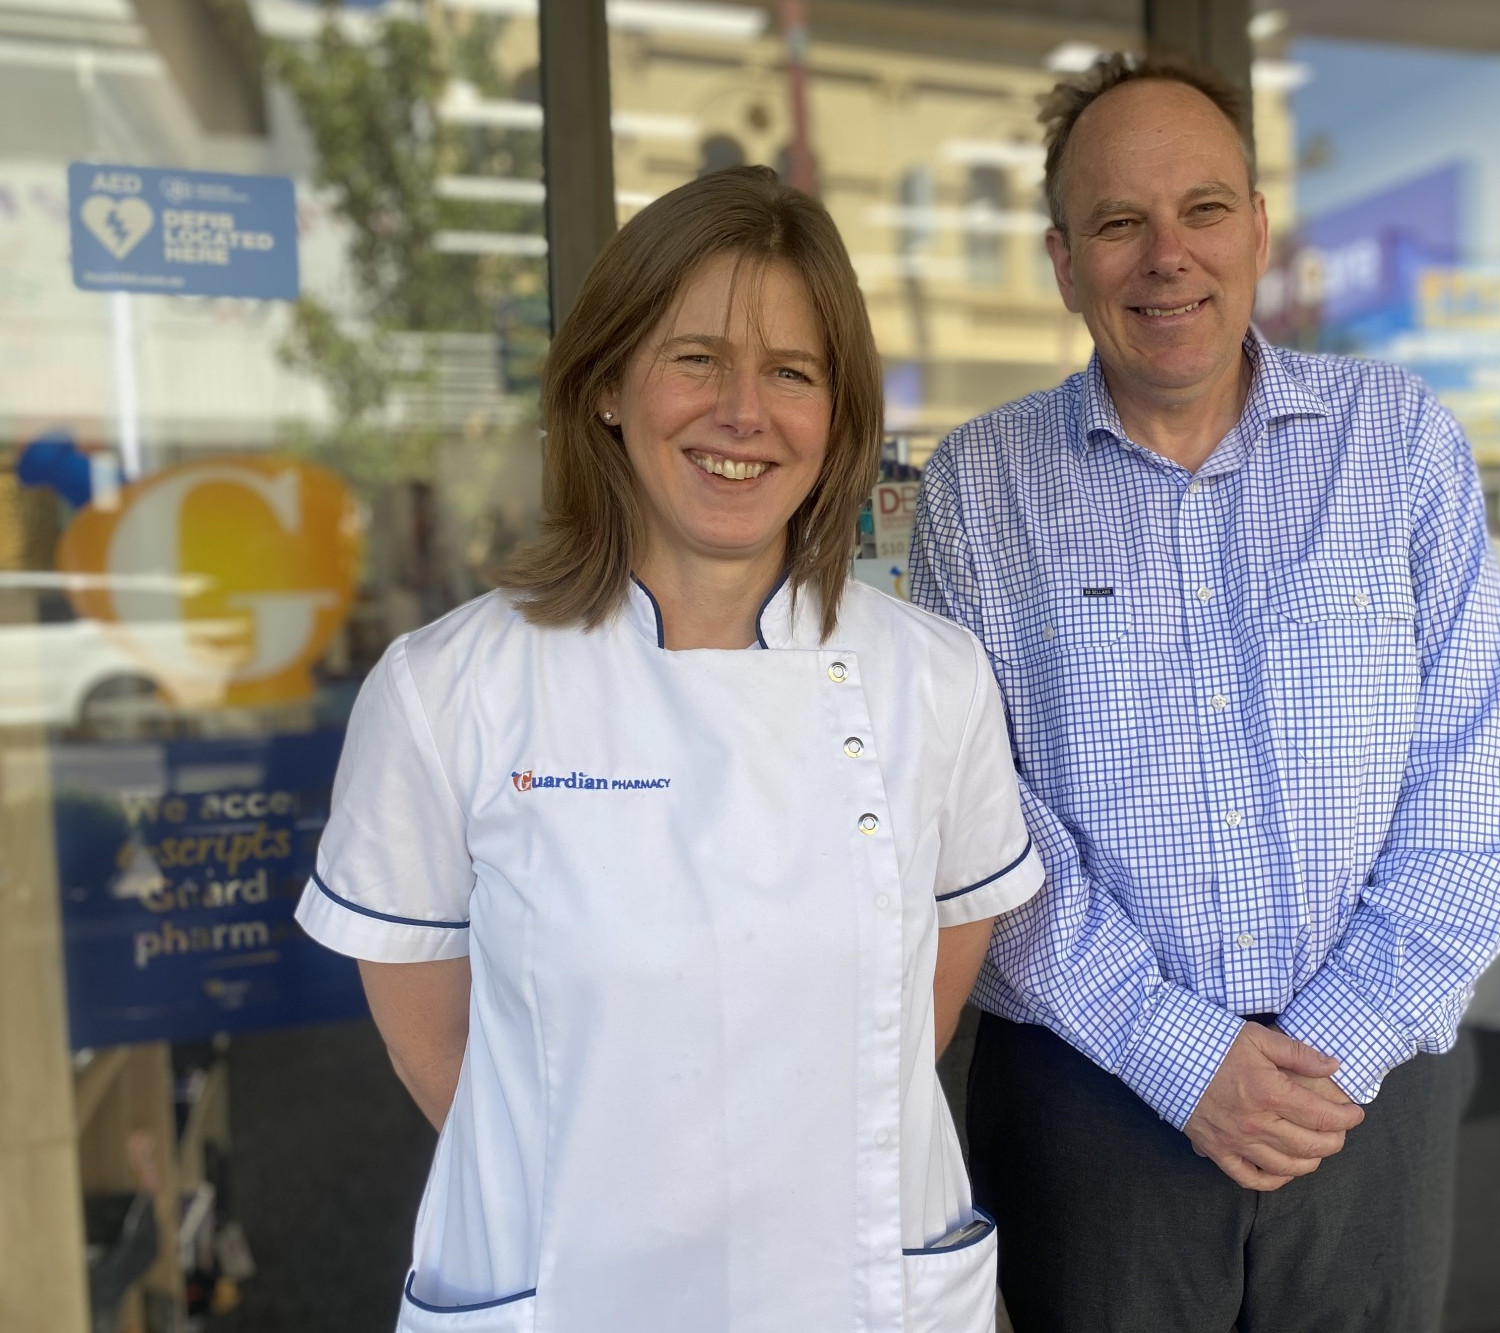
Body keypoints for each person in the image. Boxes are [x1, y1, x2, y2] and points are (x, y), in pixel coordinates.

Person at [295, 166, 1042, 1332]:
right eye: (695, 357)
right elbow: (440, 1047)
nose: (742, 413)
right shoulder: (448, 691)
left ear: (837, 415)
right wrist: (625, 1191)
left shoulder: (932, 682)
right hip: (572, 1285)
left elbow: (919, 1010)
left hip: (856, 1284)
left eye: (792, 372)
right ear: (605, 386)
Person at [910, 55, 1500, 1332]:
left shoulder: (1402, 443)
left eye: (1201, 210)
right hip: (1092, 1097)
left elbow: (1477, 786)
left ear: (1256, 230)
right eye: (1115, 222)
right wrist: (1178, 1054)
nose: (1166, 257)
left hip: (1368, 1096)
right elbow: (977, 826)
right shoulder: (978, 488)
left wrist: (1326, 1052)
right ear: (1060, 259)